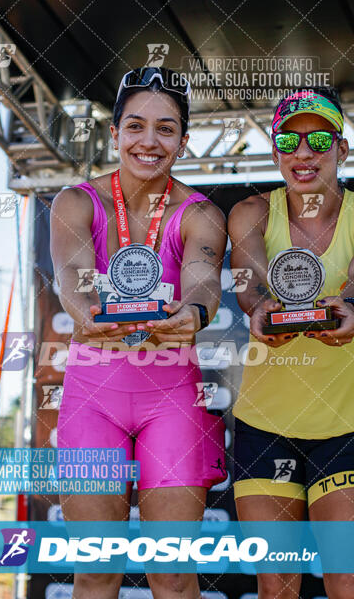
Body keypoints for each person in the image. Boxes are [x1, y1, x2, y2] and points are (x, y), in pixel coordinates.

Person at [50, 67, 227, 599]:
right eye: (135, 126)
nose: (149, 142)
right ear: (115, 133)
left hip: (171, 398)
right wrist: (84, 313)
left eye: (166, 129)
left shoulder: (201, 213)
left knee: (172, 575)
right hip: (93, 399)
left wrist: (192, 316)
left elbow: (203, 285)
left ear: (184, 141)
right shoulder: (76, 202)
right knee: (95, 571)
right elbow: (71, 280)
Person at [228, 87, 354, 598]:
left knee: (346, 578)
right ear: (276, 151)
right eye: (289, 140)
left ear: (342, 150)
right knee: (276, 586)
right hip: (265, 425)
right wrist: (259, 308)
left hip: (345, 425)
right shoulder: (250, 212)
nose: (304, 153)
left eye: (319, 139)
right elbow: (250, 283)